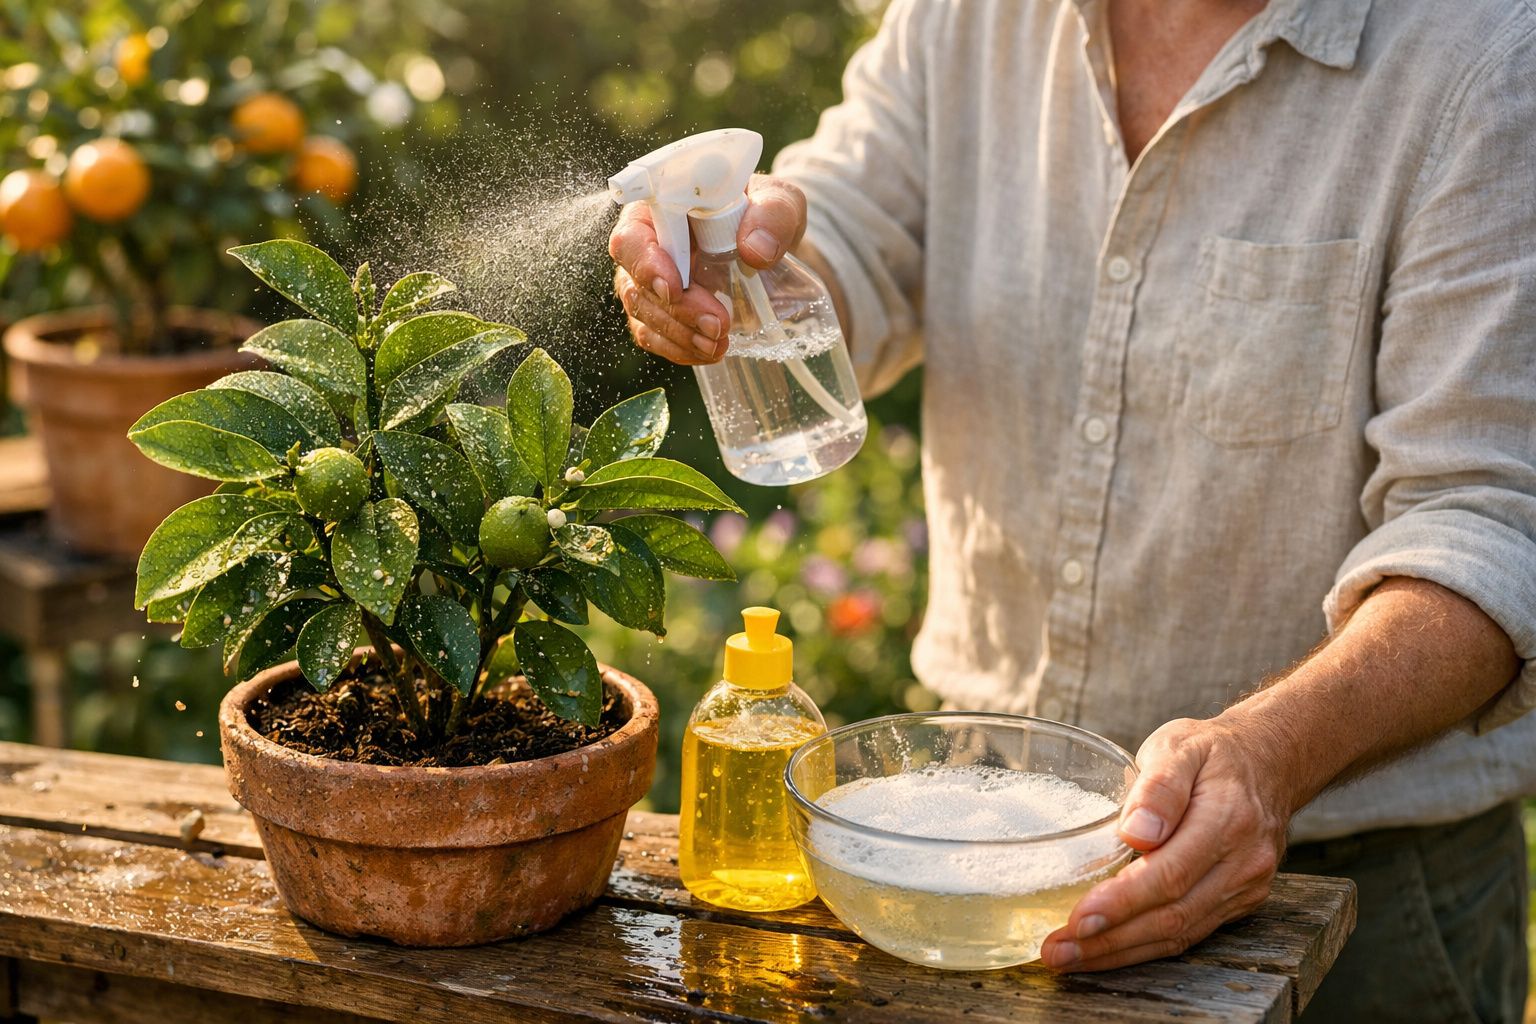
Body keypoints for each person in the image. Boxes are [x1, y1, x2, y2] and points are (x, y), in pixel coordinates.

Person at [608, 1, 1536, 1019]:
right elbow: (846, 243)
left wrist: (1271, 753)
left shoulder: (1484, 56)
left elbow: (1491, 523)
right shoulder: (963, 18)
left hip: (1353, 901)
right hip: (973, 865)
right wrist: (738, 258)